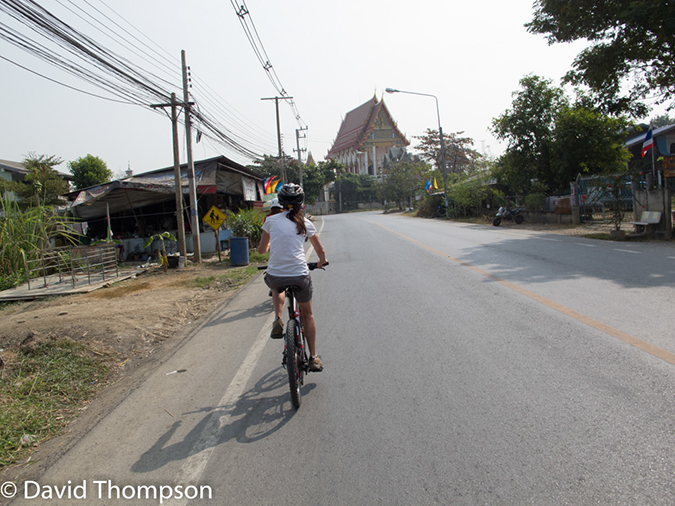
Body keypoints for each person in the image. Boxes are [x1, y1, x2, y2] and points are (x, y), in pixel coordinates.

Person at [257, 184, 328, 372]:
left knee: (276, 286)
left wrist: (274, 242)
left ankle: (278, 318)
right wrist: (322, 261)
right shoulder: (305, 222)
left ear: (280, 202)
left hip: (276, 276)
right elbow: (320, 251)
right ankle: (313, 357)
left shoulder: (271, 220)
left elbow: (261, 250)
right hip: (299, 275)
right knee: (308, 314)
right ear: (301, 203)